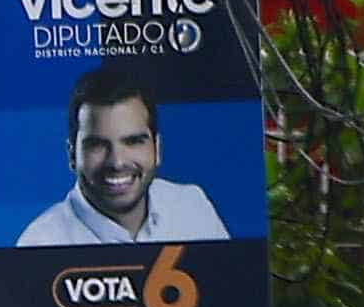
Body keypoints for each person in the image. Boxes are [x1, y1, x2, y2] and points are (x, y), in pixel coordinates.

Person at [13, 57, 237, 250]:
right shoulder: (40, 243)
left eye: (133, 141)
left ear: (157, 149)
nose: (117, 162)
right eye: (97, 145)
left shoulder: (191, 204)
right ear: (72, 155)